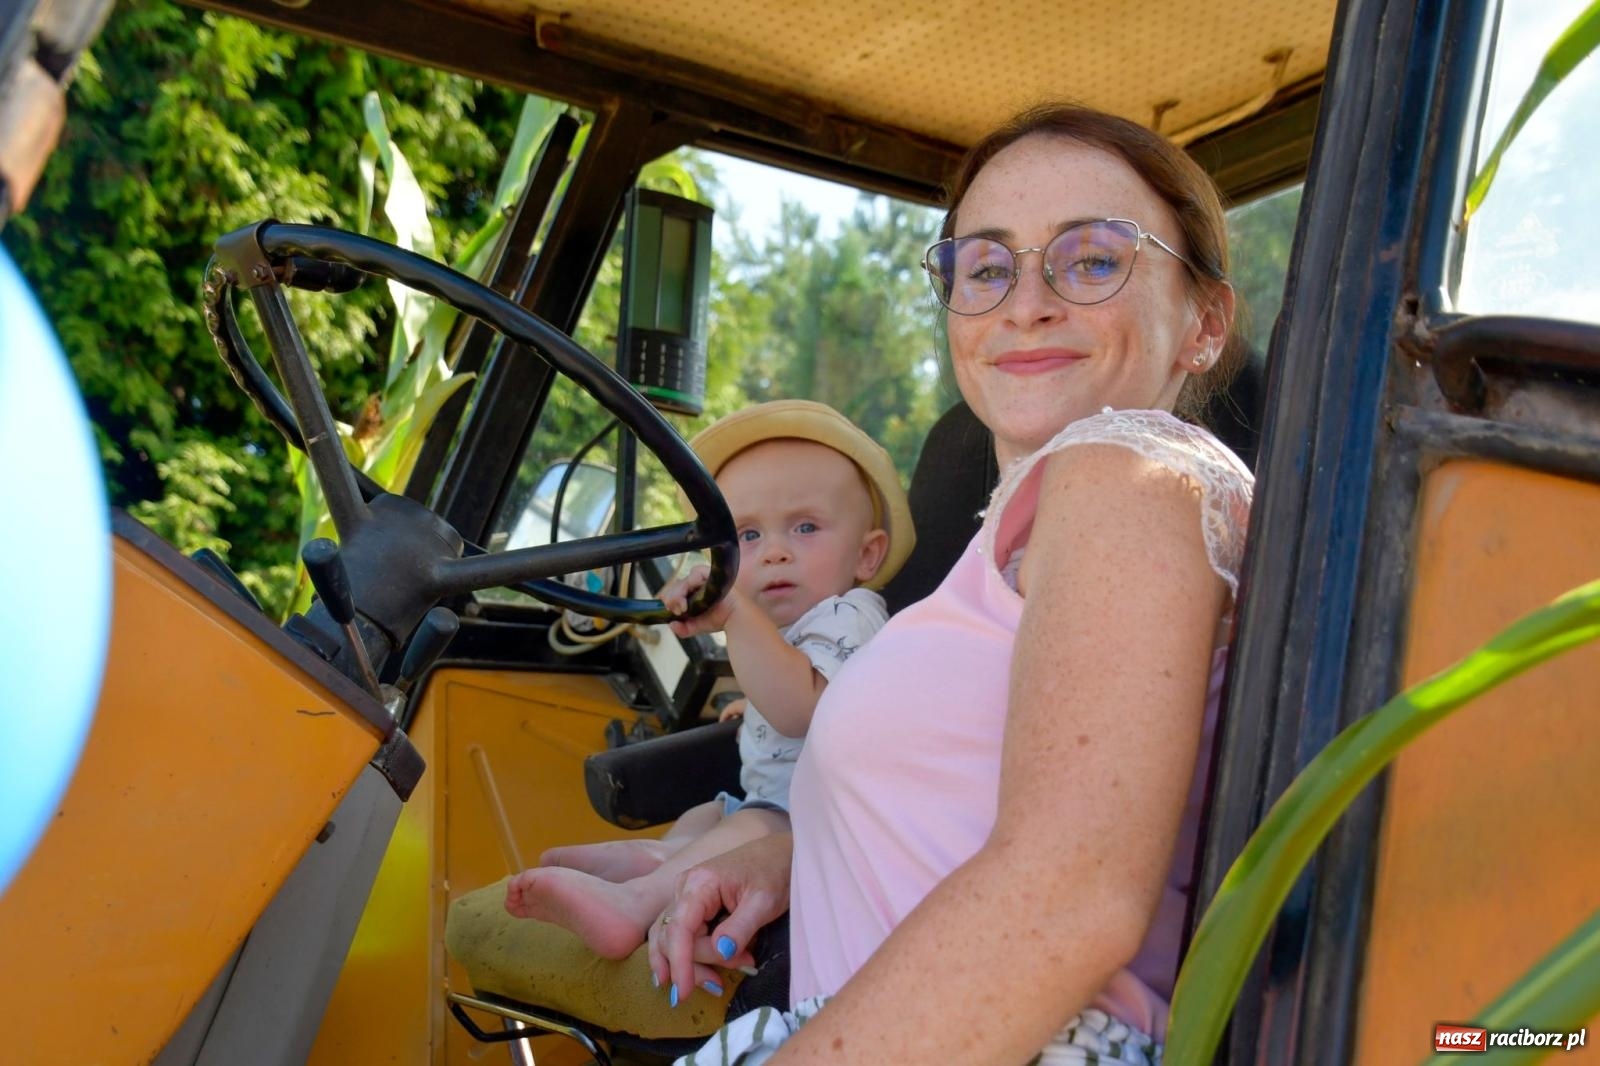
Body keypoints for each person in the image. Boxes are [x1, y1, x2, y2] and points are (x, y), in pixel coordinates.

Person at [648, 102, 1256, 1066]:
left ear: (1204, 323)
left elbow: (1069, 897)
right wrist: (803, 851)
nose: (1025, 304)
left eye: (1093, 260)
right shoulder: (1019, 539)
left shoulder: (1127, 473)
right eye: (986, 268)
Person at [504, 399, 914, 969]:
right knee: (707, 815)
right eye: (747, 535)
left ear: (867, 554)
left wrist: (736, 619)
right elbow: (792, 687)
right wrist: (753, 704)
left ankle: (633, 903)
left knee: (747, 823)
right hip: (776, 800)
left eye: (805, 527)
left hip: (820, 819)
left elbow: (804, 708)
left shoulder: (852, 614)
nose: (774, 551)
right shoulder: (794, 631)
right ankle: (654, 857)